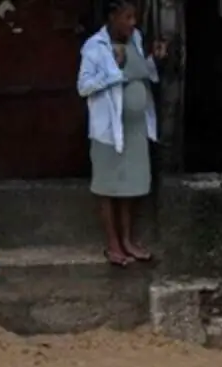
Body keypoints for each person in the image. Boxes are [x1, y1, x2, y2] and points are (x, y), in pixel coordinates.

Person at [78, 0, 165, 267]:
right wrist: (114, 72)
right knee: (108, 187)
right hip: (109, 130)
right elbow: (83, 87)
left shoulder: (135, 38)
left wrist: (154, 60)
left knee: (130, 187)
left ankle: (128, 240)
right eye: (127, 17)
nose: (132, 23)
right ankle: (113, 245)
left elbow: (142, 74)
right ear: (112, 16)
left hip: (136, 128)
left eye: (133, 18)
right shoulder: (95, 47)